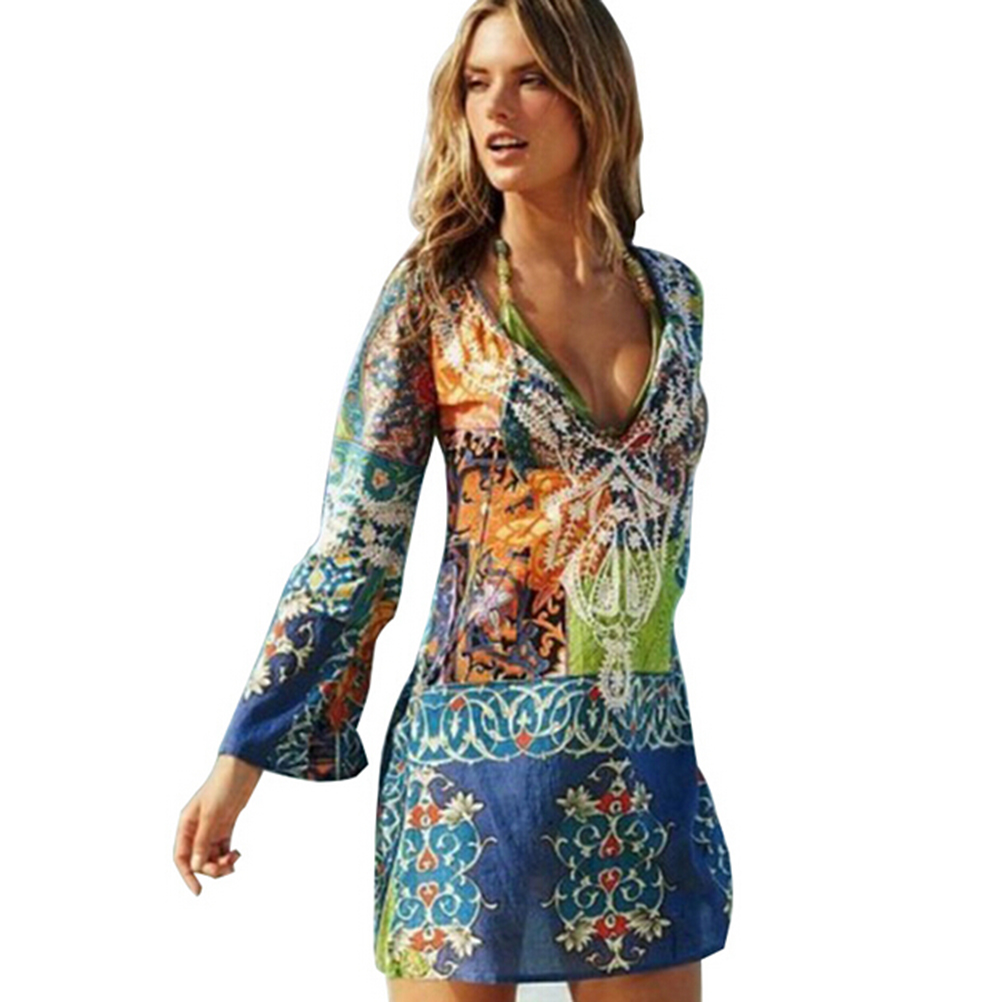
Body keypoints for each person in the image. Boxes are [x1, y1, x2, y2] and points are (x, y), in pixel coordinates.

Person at [174, 2, 733, 1000]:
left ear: (595, 95)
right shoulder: (433, 296)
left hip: (637, 750)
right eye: (477, 83)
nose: (496, 109)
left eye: (530, 78)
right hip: (467, 773)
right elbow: (358, 542)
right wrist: (241, 756)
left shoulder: (676, 298)